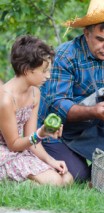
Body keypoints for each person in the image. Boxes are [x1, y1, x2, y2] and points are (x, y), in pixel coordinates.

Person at [38, 0, 104, 182]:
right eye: (101, 39)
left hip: (93, 124)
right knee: (78, 176)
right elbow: (57, 106)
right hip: (60, 131)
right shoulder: (66, 55)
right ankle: (82, 165)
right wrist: (93, 112)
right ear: (86, 34)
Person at [0, 35, 73, 186]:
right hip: (5, 152)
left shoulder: (34, 92)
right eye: (44, 71)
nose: (48, 76)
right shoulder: (6, 99)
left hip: (21, 149)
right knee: (54, 182)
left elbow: (30, 138)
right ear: (27, 70)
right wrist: (40, 134)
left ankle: (27, 181)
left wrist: (51, 161)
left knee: (67, 179)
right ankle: (15, 182)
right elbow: (13, 144)